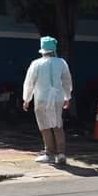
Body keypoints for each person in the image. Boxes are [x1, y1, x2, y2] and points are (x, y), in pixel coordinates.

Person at [22, 36, 73, 165]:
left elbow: (29, 82)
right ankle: (61, 153)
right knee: (57, 124)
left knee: (44, 126)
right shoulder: (61, 62)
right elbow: (67, 81)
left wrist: (27, 99)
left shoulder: (36, 63)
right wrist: (67, 97)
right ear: (54, 49)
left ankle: (49, 152)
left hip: (42, 99)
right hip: (57, 98)